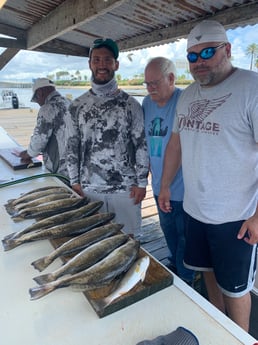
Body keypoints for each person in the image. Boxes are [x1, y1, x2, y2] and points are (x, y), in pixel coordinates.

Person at [158, 19, 258, 332]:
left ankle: (239, 337)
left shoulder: (251, 88)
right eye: (192, 56)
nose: (199, 62)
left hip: (236, 218)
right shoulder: (187, 96)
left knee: (236, 289)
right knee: (207, 274)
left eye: (208, 52)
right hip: (195, 211)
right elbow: (176, 143)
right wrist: (163, 185)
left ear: (227, 50)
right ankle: (217, 327)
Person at [65, 38, 149, 235]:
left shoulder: (131, 105)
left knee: (129, 244)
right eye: (96, 60)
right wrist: (74, 181)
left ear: (116, 65)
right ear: (90, 64)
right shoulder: (76, 106)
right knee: (93, 244)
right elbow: (71, 146)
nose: (102, 65)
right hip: (89, 189)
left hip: (126, 190)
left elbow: (141, 145)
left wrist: (142, 182)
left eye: (107, 60)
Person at [142, 57, 194, 284]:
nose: (150, 88)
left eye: (155, 83)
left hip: (183, 188)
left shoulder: (185, 100)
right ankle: (174, 262)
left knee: (185, 236)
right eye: (147, 84)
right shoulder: (146, 103)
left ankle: (187, 278)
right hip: (158, 185)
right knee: (168, 230)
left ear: (171, 78)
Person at [19, 78, 70, 179]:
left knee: (60, 190)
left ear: (40, 92)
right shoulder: (70, 102)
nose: (39, 103)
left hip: (60, 169)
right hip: (77, 165)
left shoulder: (47, 108)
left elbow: (39, 140)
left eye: (36, 99)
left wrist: (28, 153)